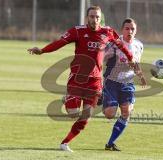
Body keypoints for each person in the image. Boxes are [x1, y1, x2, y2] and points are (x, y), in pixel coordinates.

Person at [27, 6, 135, 152]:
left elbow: (121, 45)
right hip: (78, 78)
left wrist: (130, 58)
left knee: (85, 118)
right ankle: (68, 99)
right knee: (73, 114)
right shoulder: (78, 31)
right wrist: (42, 50)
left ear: (100, 18)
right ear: (87, 17)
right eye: (92, 16)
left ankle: (64, 143)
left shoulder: (107, 32)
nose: (95, 19)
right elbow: (60, 42)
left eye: (97, 17)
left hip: (95, 82)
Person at [102, 18, 146, 151]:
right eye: (127, 28)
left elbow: (135, 63)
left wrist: (141, 76)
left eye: (132, 29)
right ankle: (100, 98)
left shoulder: (139, 45)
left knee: (126, 112)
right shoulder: (115, 44)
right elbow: (101, 58)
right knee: (110, 114)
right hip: (111, 82)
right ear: (122, 30)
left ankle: (110, 143)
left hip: (128, 83)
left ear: (136, 30)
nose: (130, 31)